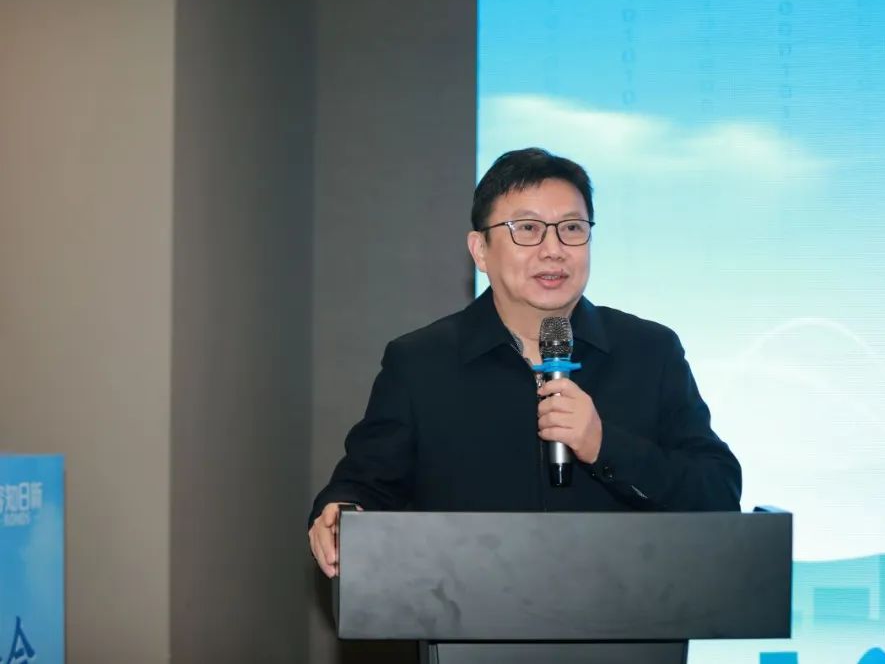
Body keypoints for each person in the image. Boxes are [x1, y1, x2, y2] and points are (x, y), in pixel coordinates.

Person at [308, 147, 741, 578]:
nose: (553, 250)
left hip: (631, 609)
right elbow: (363, 485)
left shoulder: (650, 351)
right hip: (467, 609)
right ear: (480, 250)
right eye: (528, 229)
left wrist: (604, 446)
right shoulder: (421, 363)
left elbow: (718, 493)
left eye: (572, 228)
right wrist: (341, 513)